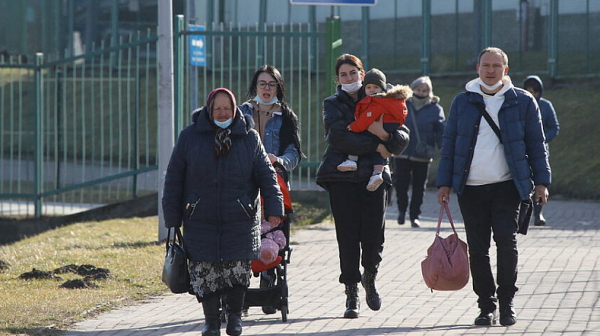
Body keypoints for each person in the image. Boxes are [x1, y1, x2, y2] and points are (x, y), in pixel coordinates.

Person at [436, 47, 551, 327]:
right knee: (477, 248)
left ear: (506, 70)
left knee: (506, 243)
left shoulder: (523, 101)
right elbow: (449, 145)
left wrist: (542, 182)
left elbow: (537, 144)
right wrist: (444, 183)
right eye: (485, 65)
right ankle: (486, 305)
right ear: (477, 68)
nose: (490, 70)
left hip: (507, 187)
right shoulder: (462, 101)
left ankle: (507, 302)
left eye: (496, 66)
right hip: (471, 187)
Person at [162, 87, 284, 336]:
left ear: (235, 109)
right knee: (206, 273)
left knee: (236, 270)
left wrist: (274, 208)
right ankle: (211, 321)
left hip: (240, 217)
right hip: (200, 217)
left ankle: (235, 318)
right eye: (217, 108)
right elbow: (174, 178)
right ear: (209, 110)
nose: (222, 113)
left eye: (227, 108)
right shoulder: (189, 137)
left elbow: (266, 175)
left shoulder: (249, 137)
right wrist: (172, 217)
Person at [316, 54, 410, 318]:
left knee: (373, 237)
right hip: (342, 177)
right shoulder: (332, 103)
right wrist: (380, 144)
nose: (349, 79)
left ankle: (370, 277)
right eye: (343, 75)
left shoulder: (383, 94)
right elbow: (337, 137)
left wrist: (387, 137)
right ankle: (351, 293)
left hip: (374, 178)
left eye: (353, 73)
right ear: (338, 79)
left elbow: (402, 133)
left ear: (362, 72)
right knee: (347, 237)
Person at [239, 65, 303, 315]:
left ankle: (269, 274)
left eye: (272, 84)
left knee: (273, 228)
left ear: (278, 87)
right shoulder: (241, 112)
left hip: (275, 183)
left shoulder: (286, 115)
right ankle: (239, 285)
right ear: (255, 86)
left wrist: (279, 159)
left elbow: (295, 152)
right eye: (262, 84)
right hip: (244, 183)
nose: (266, 89)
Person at [337, 68, 410, 192]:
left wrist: (355, 126)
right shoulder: (389, 101)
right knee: (378, 151)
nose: (372, 90)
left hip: (381, 126)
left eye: (375, 87)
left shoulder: (378, 101)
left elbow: (367, 117)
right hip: (387, 128)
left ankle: (352, 160)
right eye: (369, 87)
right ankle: (377, 174)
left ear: (382, 89)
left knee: (360, 134)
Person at [393, 76, 445, 228]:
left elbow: (440, 131)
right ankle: (402, 210)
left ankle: (414, 215)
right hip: (402, 151)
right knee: (400, 184)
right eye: (418, 89)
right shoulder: (403, 104)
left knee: (419, 187)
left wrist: (442, 147)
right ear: (412, 89)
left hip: (422, 155)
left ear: (429, 92)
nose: (421, 92)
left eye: (424, 90)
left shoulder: (436, 109)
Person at [523, 75, 559, 226]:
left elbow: (554, 127)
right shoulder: (519, 104)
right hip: (522, 150)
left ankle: (538, 214)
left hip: (540, 151)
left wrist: (542, 139)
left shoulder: (545, 106)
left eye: (535, 91)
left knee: (539, 182)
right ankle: (522, 215)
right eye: (528, 91)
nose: (532, 94)